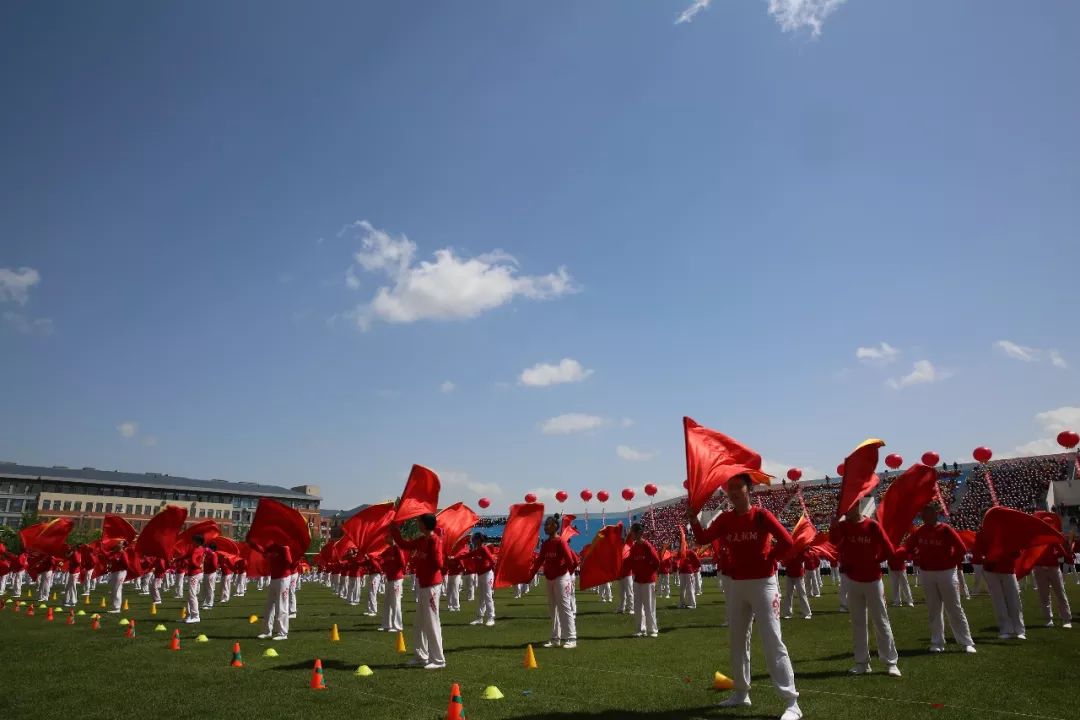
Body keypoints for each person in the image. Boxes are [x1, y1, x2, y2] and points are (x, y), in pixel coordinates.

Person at [689, 474, 802, 720]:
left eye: (738, 487)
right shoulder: (726, 519)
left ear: (749, 489)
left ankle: (792, 702)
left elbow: (788, 540)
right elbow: (703, 539)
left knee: (772, 640)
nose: (733, 492)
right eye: (730, 489)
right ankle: (741, 692)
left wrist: (771, 557)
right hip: (738, 585)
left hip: (763, 584)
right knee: (738, 640)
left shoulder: (762, 515)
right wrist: (693, 519)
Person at [830, 504, 902, 677]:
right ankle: (862, 662)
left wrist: (874, 561)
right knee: (858, 622)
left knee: (881, 621)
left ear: (858, 508)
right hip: (853, 580)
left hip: (873, 581)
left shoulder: (872, 526)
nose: (847, 512)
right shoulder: (843, 526)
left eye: (850, 508)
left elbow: (889, 550)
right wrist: (834, 524)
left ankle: (891, 662)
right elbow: (833, 541)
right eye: (845, 509)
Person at [903, 503, 977, 653]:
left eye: (928, 512)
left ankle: (966, 642)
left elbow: (961, 548)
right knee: (933, 609)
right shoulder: (920, 531)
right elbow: (907, 548)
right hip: (927, 574)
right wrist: (906, 554)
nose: (924, 516)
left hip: (946, 572)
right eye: (923, 513)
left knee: (954, 607)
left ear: (936, 513)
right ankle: (937, 642)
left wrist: (950, 562)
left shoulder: (945, 529)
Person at [390, 514, 446, 669]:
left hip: (432, 585)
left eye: (418, 521)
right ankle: (421, 656)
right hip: (423, 584)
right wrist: (395, 531)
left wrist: (425, 557)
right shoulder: (422, 540)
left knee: (432, 622)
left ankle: (438, 660)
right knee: (419, 623)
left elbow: (439, 563)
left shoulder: (434, 540)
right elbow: (403, 544)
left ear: (424, 524)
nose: (417, 523)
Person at [530, 514, 579, 648]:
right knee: (553, 609)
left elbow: (570, 561)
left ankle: (571, 637)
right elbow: (540, 560)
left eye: (548, 524)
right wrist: (530, 576)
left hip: (562, 578)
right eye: (545, 524)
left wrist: (569, 577)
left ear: (556, 526)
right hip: (550, 578)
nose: (545, 527)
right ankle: (555, 638)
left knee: (565, 607)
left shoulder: (561, 542)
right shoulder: (545, 544)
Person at [627, 523, 660, 638]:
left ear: (639, 533)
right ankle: (640, 629)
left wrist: (649, 572)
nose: (631, 534)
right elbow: (631, 561)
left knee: (649, 606)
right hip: (637, 580)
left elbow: (657, 562)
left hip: (648, 580)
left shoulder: (647, 546)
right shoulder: (634, 547)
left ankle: (652, 630)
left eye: (632, 532)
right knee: (637, 606)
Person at [257, 542, 293, 640]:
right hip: (274, 578)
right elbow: (265, 555)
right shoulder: (271, 547)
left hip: (283, 578)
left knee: (281, 606)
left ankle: (283, 633)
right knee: (269, 606)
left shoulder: (285, 546)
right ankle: (267, 631)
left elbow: (289, 562)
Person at [372, 537, 406, 632]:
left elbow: (402, 563)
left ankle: (397, 626)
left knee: (395, 602)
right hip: (389, 578)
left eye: (387, 536)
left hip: (396, 579)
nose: (385, 538)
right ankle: (386, 624)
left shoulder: (397, 549)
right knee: (387, 602)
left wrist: (394, 569)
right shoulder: (388, 549)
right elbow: (380, 559)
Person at [466, 533, 496, 627]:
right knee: (481, 597)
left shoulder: (483, 548)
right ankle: (479, 618)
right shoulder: (477, 549)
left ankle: (491, 618)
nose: (473, 540)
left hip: (487, 574)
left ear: (479, 539)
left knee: (488, 596)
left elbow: (492, 560)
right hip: (481, 575)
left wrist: (491, 570)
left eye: (474, 538)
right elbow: (468, 555)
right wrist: (455, 558)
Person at [781, 549, 811, 620]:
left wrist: (806, 550)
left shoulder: (800, 550)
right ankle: (788, 613)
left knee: (802, 594)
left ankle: (807, 613)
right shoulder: (787, 551)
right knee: (788, 594)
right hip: (789, 574)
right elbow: (783, 563)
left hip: (798, 575)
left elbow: (807, 558)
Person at [183, 535, 206, 624]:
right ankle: (190, 615)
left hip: (195, 574)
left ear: (198, 542)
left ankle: (196, 616)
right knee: (191, 595)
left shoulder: (196, 549)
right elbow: (188, 556)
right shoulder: (200, 549)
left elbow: (192, 560)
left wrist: (197, 565)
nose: (192, 542)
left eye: (194, 541)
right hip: (197, 573)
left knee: (192, 595)